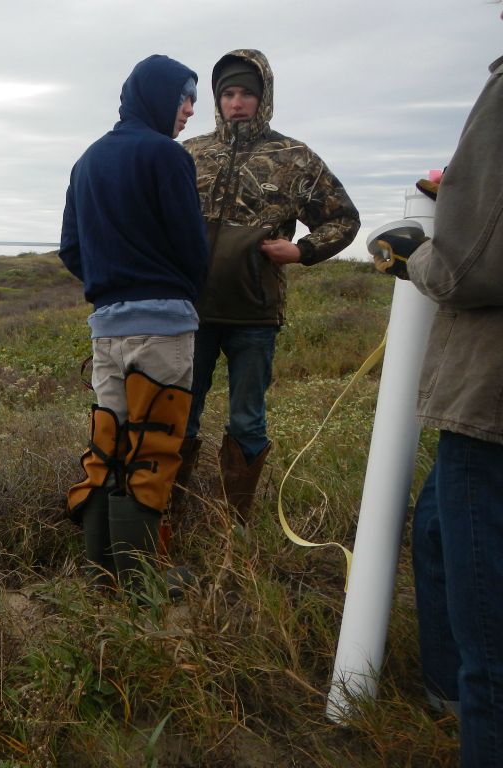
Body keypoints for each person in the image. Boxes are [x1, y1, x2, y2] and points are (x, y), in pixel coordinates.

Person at [373, 16, 503, 762]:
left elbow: (463, 270)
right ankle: (445, 687)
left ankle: (461, 696)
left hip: (490, 409)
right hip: (483, 413)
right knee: (434, 530)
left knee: (494, 661)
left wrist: (416, 252)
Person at [180, 49, 360, 521]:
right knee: (180, 415)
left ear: (264, 98)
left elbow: (342, 218)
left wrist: (300, 251)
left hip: (254, 315)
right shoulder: (188, 153)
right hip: (188, 312)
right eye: (228, 94)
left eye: (247, 94)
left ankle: (234, 523)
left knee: (247, 419)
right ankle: (167, 515)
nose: (237, 103)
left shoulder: (294, 158)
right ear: (218, 101)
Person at [59, 54, 210, 583]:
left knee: (110, 442)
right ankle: (142, 580)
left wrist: (111, 286)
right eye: (184, 96)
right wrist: (176, 288)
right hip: (164, 326)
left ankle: (102, 571)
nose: (191, 108)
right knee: (153, 447)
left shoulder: (88, 160)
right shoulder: (166, 156)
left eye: (193, 98)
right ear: (157, 95)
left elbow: (71, 249)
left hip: (106, 328)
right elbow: (194, 248)